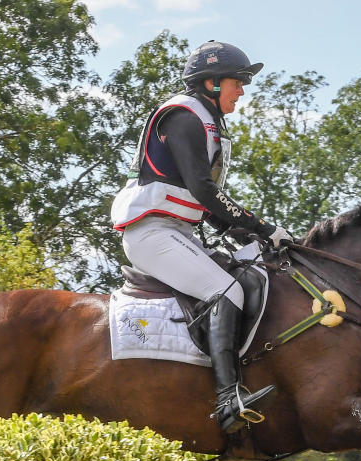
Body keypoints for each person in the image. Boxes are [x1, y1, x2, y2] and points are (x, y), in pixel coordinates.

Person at [111, 40, 292, 435]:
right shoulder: (185, 116)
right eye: (238, 82)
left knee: (249, 272)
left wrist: (252, 233)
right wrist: (261, 226)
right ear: (211, 83)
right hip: (151, 233)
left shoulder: (207, 120)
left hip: (176, 230)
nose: (242, 91)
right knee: (227, 291)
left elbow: (204, 204)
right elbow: (203, 190)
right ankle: (229, 398)